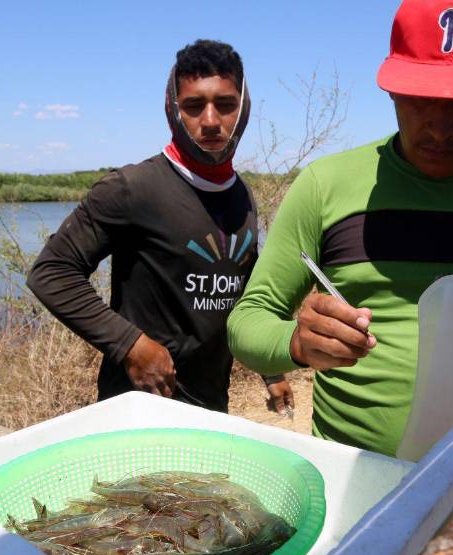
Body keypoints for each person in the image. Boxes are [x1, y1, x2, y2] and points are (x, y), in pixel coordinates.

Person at [227, 0, 453, 456]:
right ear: (391, 88)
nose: (439, 128)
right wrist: (297, 342)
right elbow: (247, 323)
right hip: (356, 475)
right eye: (419, 97)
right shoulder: (326, 185)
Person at [27, 39, 293, 414]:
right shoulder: (133, 188)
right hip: (139, 407)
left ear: (243, 108)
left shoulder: (241, 194)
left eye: (226, 104)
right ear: (173, 110)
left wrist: (270, 369)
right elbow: (51, 272)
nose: (212, 120)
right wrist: (132, 345)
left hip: (212, 405)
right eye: (194, 106)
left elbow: (242, 288)